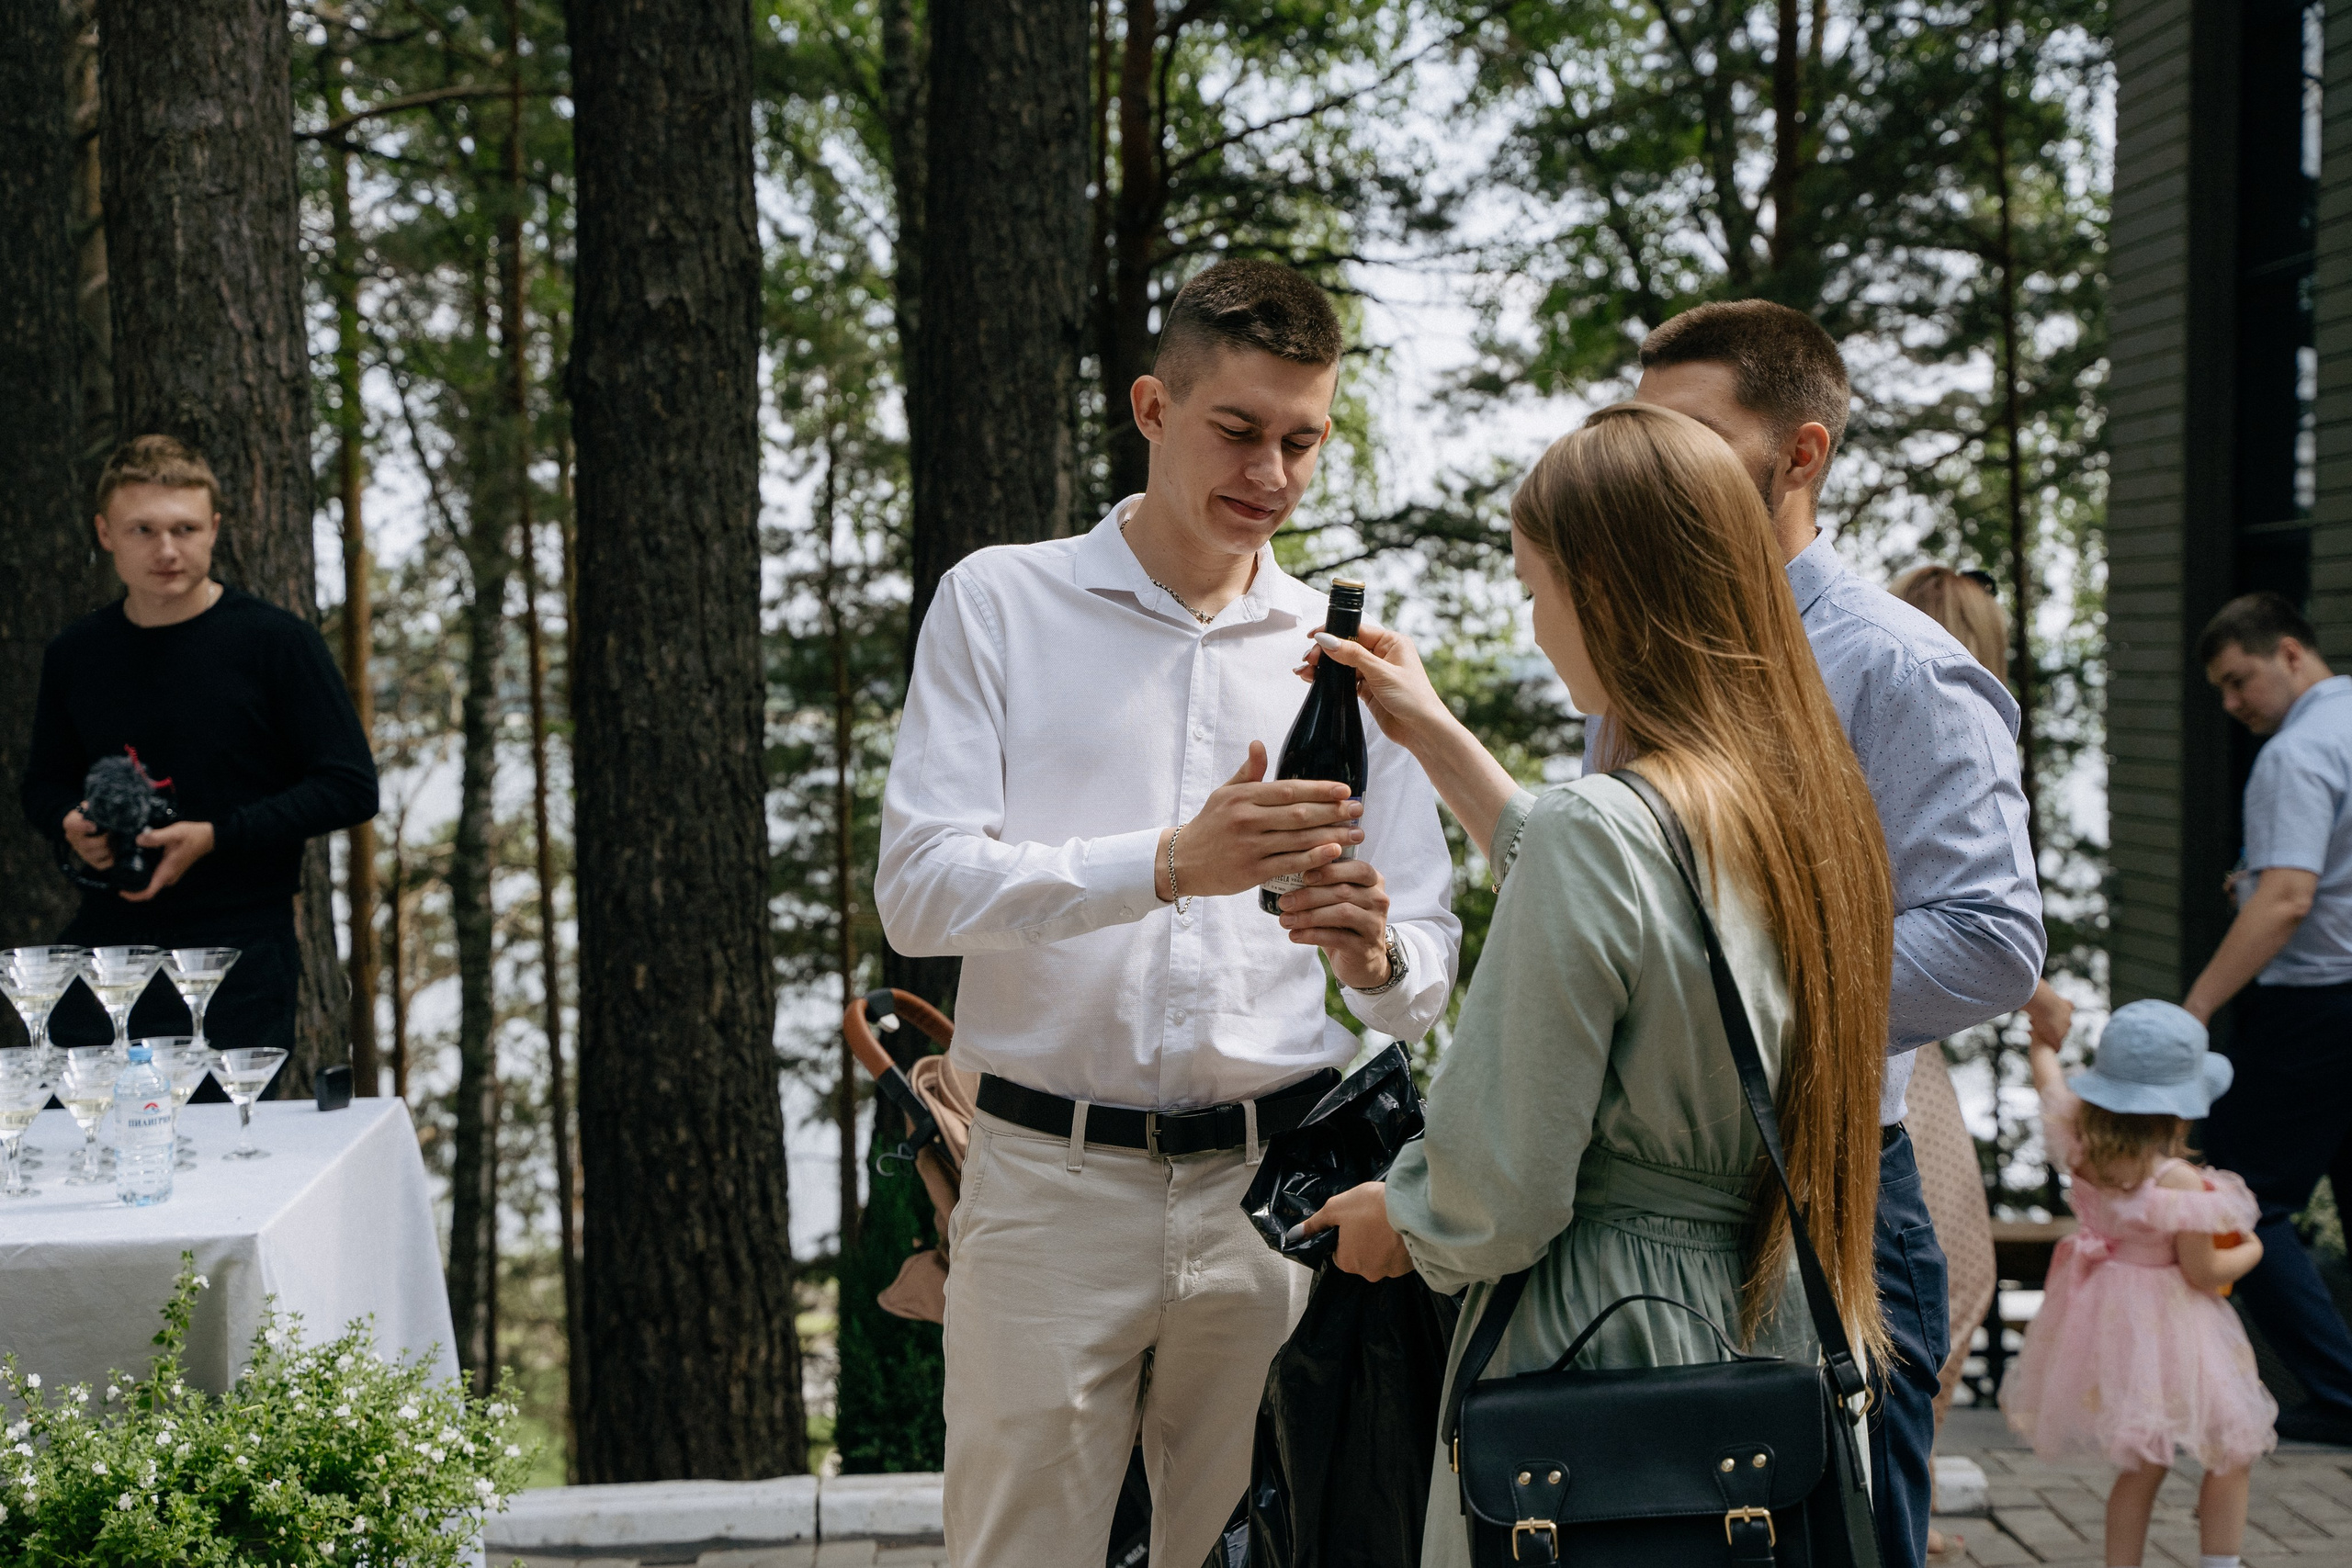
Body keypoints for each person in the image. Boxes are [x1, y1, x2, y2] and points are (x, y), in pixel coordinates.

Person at [874, 258, 1460, 1568]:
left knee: (1261, 1552)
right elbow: (916, 884)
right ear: (1151, 406)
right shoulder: (1000, 602)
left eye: (1303, 440)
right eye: (1239, 429)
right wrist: (1165, 863)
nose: (1274, 473)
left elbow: (1420, 973)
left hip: (1278, 1192)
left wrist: (1376, 949)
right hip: (1044, 1186)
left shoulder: (1353, 661)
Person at [1301, 401, 1894, 1567]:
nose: (1534, 625)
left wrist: (1403, 1220)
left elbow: (1506, 1187)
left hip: (1598, 1342)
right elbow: (1633, 894)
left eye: (1535, 590)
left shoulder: (1602, 830)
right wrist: (1430, 734)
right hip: (1759, 1323)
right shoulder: (1803, 814)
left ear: (1606, 593)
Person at [1632, 302, 2046, 1568]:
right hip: (1665, 1196)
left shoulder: (1896, 669)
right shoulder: (1655, 649)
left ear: (1800, 455)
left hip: (1836, 1204)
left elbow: (1989, 938)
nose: (1658, 471)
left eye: (1694, 438)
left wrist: (1730, 1001)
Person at [23, 435, 378, 1060]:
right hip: (108, 947)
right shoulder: (76, 654)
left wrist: (216, 835)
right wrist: (68, 821)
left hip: (237, 951)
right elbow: (42, 783)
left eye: (185, 528)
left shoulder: (276, 643)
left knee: (223, 1143)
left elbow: (350, 785)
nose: (166, 550)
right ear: (106, 533)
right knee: (79, 1131)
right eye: (143, 530)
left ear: (214, 529)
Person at [1888, 563, 2073, 1560]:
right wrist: (2036, 994)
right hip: (1893, 1050)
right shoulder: (1945, 717)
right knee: (1947, 1282)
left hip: (1900, 1045)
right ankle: (1894, 1519)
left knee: (1934, 1283)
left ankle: (1896, 1512)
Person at [2001, 1000, 2274, 1568]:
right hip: (2177, 1323)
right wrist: (2253, 1250)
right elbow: (2202, 1273)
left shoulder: (2078, 1145)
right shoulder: (2179, 1182)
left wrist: (2042, 1042)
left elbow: (2049, 1081)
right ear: (2180, 1113)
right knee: (2232, 1448)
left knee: (2142, 1460)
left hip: (2107, 1315)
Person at [2182, 590, 2352, 1446]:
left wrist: (2199, 1005)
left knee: (2238, 1192)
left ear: (2291, 653)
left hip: (2317, 1005)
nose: (2232, 704)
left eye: (2239, 680)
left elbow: (2288, 898)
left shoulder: (2297, 754)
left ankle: (2342, 1393)